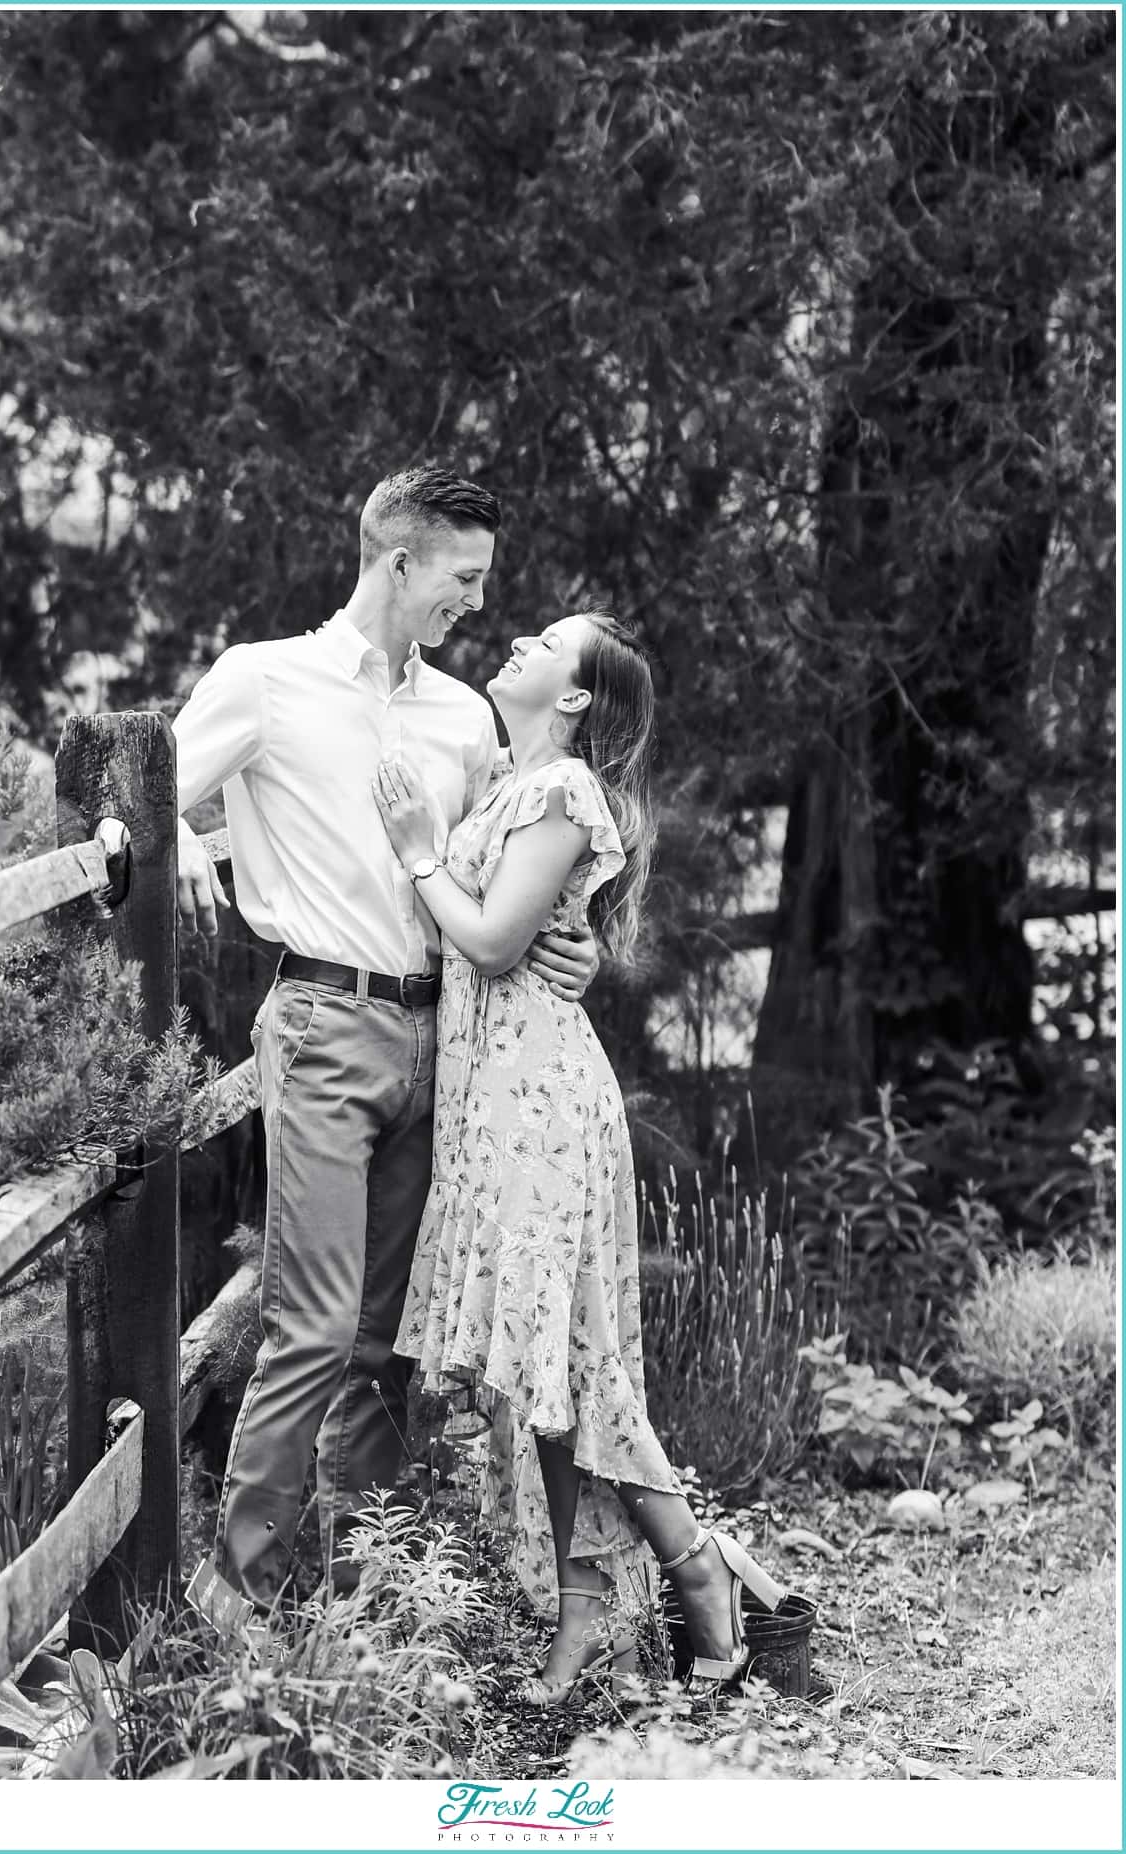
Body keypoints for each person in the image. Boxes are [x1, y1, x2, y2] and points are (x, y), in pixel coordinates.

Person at [173, 465, 599, 1611]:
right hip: (322, 1022)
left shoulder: (465, 716)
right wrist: (173, 850)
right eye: (463, 578)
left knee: (387, 1339)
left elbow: (525, 864)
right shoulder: (264, 682)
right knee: (310, 1323)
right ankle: (239, 1599)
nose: (475, 601)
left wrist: (580, 949)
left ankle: (364, 1599)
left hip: (443, 1038)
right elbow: (154, 787)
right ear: (398, 560)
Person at [373, 609, 787, 1704]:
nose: (515, 640)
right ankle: (594, 1613)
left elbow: (498, 938)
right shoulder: (509, 784)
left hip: (542, 1109)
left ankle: (695, 1573)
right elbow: (514, 925)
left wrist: (419, 853)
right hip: (491, 1107)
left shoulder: (565, 794)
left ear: (572, 697)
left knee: (570, 1366)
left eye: (544, 642)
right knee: (538, 1376)